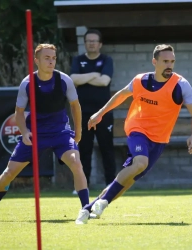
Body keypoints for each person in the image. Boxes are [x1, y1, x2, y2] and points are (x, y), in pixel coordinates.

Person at [75, 44, 192, 224]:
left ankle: (89, 208)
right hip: (138, 129)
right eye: (165, 61)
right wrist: (100, 113)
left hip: (159, 139)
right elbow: (121, 95)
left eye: (172, 61)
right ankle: (103, 202)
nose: (169, 65)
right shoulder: (140, 81)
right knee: (141, 162)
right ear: (154, 62)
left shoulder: (181, 85)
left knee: (126, 181)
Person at [0, 44, 90, 210]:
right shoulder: (27, 83)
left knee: (76, 163)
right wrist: (24, 132)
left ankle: (86, 209)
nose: (51, 61)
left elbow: (75, 106)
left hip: (60, 132)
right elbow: (19, 112)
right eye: (47, 58)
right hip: (35, 134)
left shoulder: (64, 80)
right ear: (36, 61)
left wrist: (79, 131)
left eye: (53, 58)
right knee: (8, 174)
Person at [70, 29, 116, 191]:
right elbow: (73, 79)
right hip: (83, 113)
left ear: (100, 44)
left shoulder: (106, 60)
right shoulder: (78, 60)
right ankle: (82, 186)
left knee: (107, 149)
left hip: (103, 112)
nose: (91, 43)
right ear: (85, 43)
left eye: (94, 41)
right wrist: (94, 74)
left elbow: (104, 81)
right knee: (83, 150)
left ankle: (111, 185)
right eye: (88, 41)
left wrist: (84, 78)